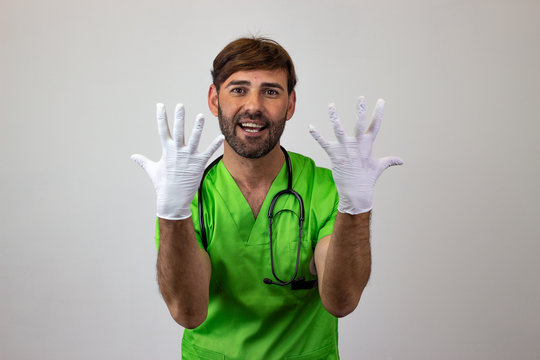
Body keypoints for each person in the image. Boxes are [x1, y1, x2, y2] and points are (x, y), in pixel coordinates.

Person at [131, 37, 403, 359]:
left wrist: (357, 208)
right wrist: (173, 212)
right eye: (238, 89)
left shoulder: (325, 188)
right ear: (215, 100)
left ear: (290, 105)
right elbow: (189, 312)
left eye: (271, 92)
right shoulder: (189, 195)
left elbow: (341, 301)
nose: (254, 106)